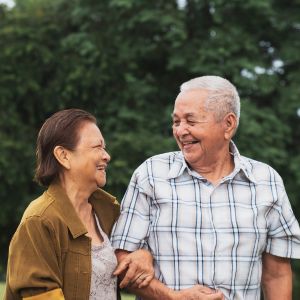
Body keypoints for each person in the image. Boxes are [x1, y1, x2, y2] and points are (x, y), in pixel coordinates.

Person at [111, 76, 300, 300]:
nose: (181, 131)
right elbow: (123, 260)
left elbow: (276, 275)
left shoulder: (266, 181)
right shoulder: (151, 175)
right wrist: (173, 297)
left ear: (228, 124)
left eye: (191, 121)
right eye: (176, 121)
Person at [4, 108, 154, 300]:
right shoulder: (40, 220)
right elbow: (40, 295)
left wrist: (144, 255)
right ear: (63, 155)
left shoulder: (109, 211)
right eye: (97, 147)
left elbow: (129, 264)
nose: (106, 156)